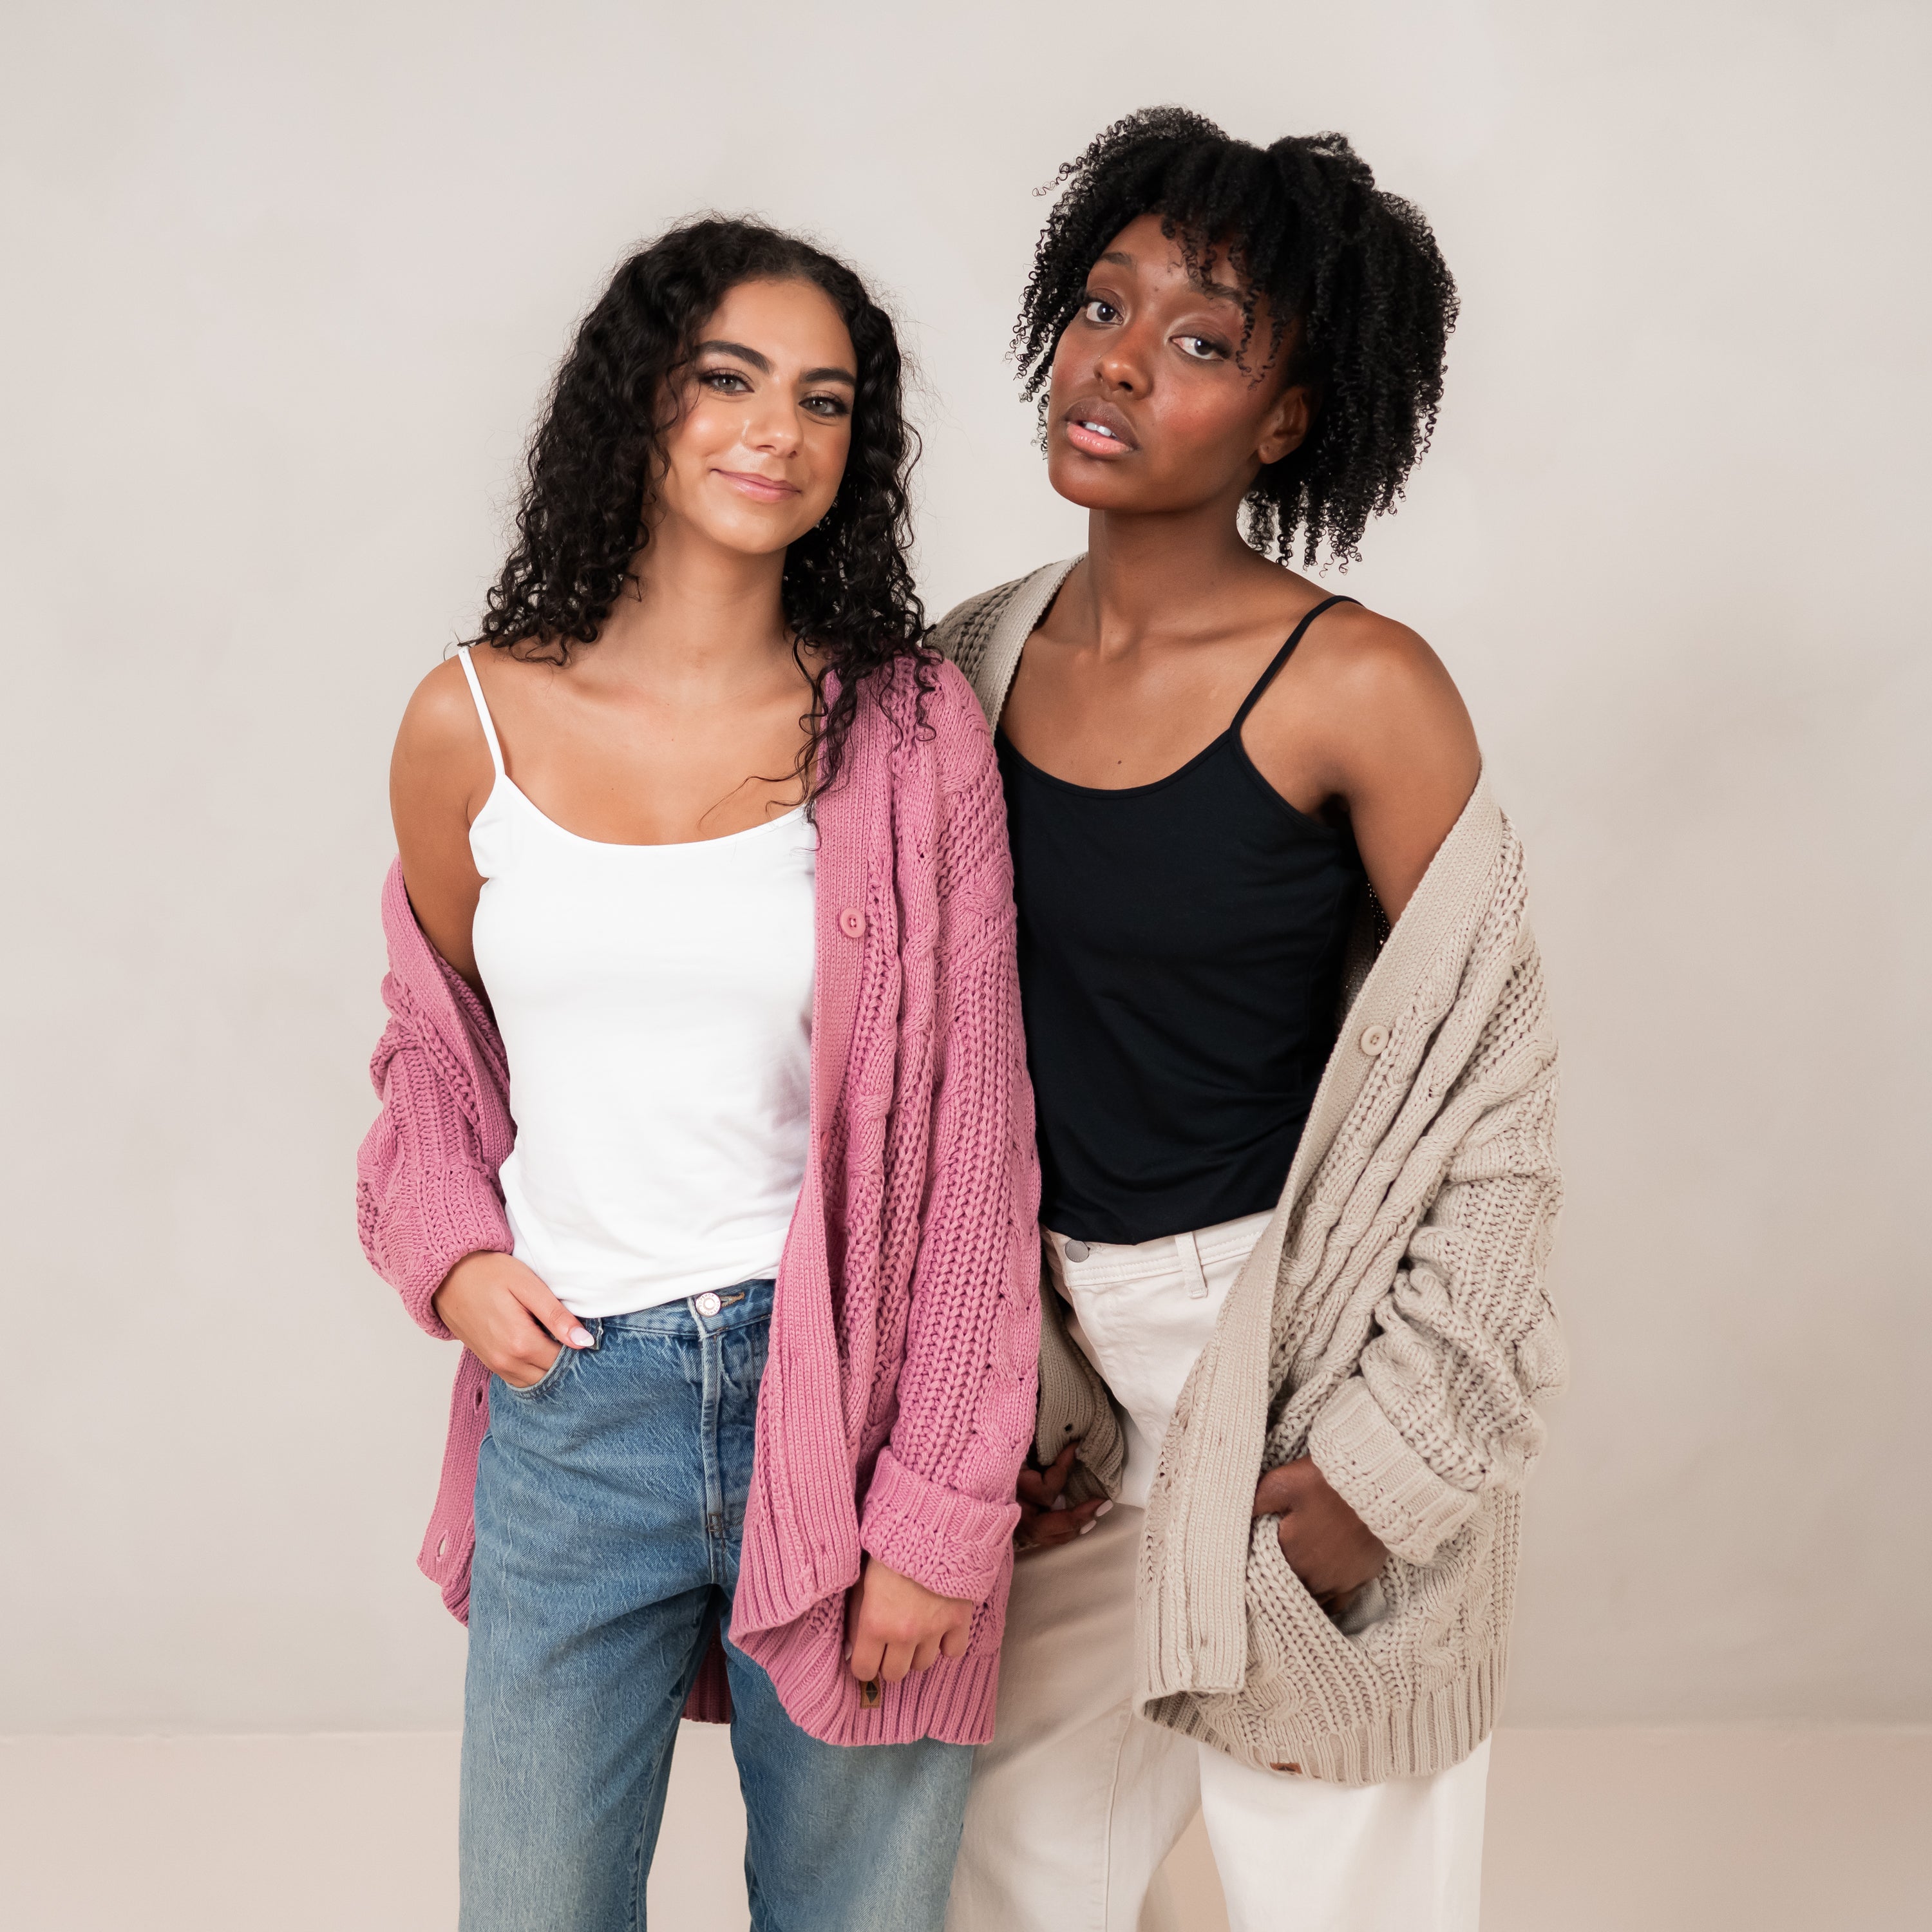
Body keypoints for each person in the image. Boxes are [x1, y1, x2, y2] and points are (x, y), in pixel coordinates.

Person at [355, 216, 1040, 1932]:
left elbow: (977, 1147)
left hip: (859, 1398)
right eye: (729, 379)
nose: (776, 431)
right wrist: (450, 1251)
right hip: (578, 1413)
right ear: (640, 403)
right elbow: (433, 1052)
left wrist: (941, 1512)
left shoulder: (906, 730)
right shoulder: (471, 721)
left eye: (824, 400)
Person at [936, 111, 1566, 1932]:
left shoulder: (1359, 689)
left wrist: (1390, 1464)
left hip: (1288, 1358)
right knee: (1001, 1869)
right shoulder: (968, 662)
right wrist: (999, 1396)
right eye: (1103, 304)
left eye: (1205, 339)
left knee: (1337, 1876)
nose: (1121, 359)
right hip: (1066, 1387)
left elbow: (1493, 1109)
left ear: (1290, 419)